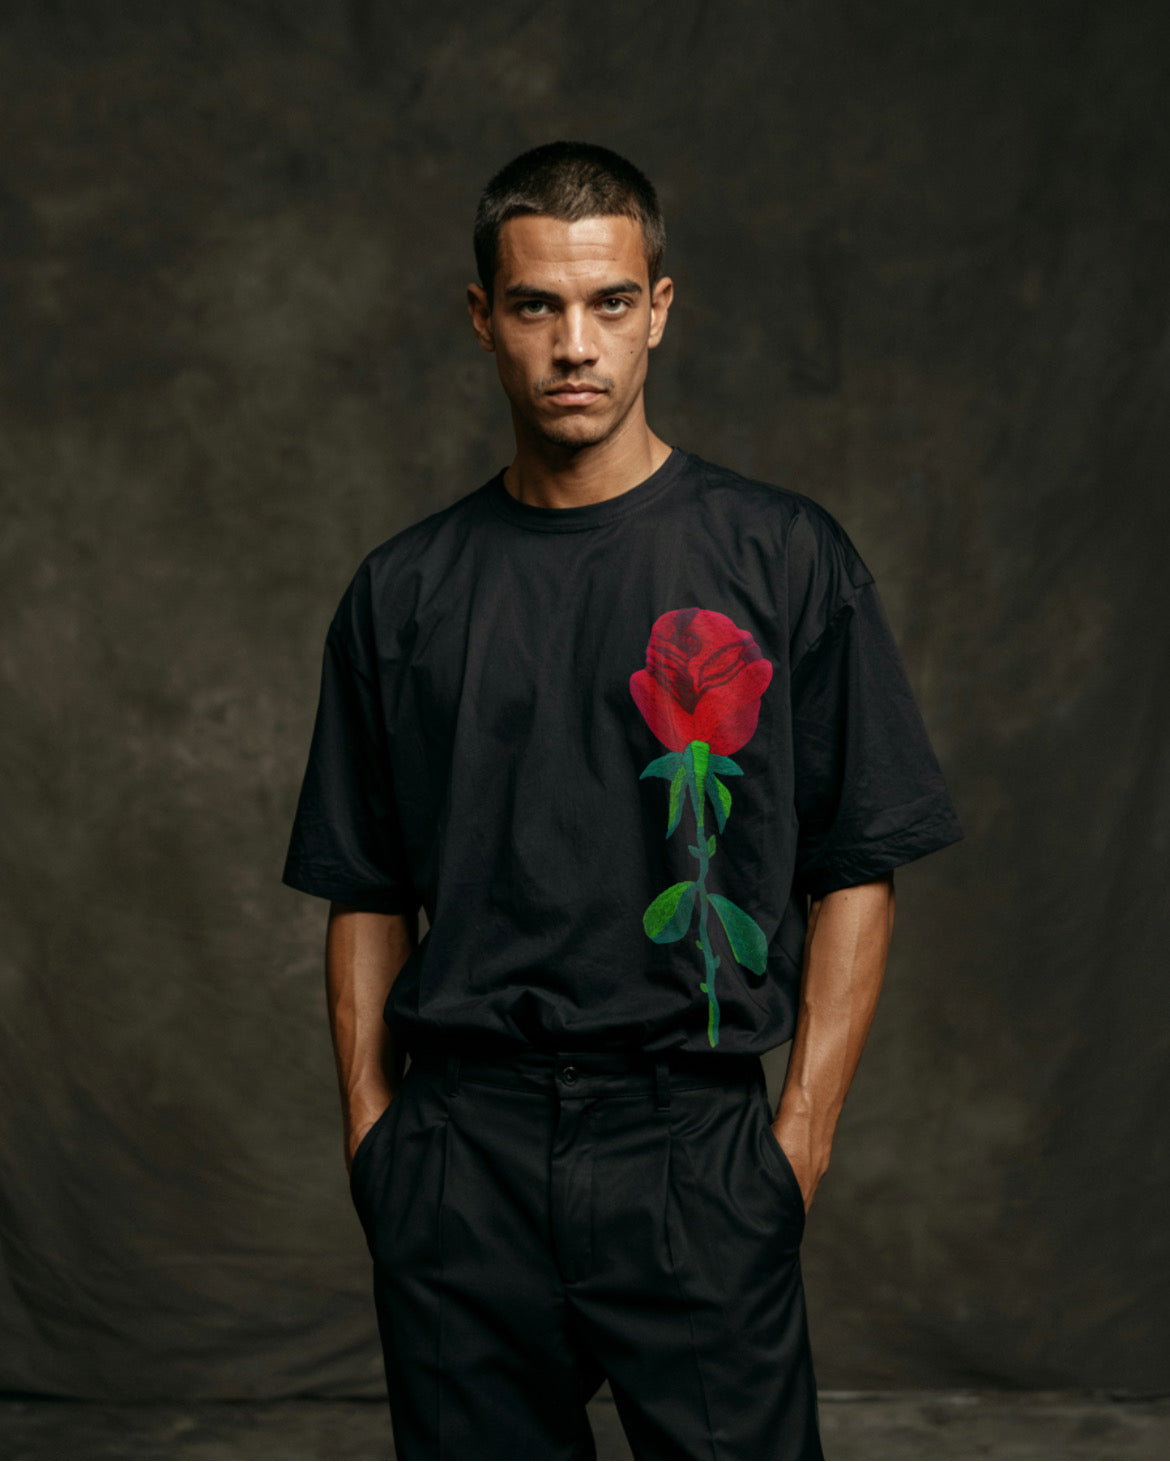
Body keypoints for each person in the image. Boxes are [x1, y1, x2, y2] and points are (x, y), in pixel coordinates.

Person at [283, 141, 962, 1461]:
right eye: (536, 305)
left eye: (606, 302)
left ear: (659, 306)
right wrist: (377, 1137)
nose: (572, 344)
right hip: (460, 1148)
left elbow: (855, 865)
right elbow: (363, 885)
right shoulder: (403, 591)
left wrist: (793, 1145)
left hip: (688, 1132)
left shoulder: (781, 557)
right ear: (483, 318)